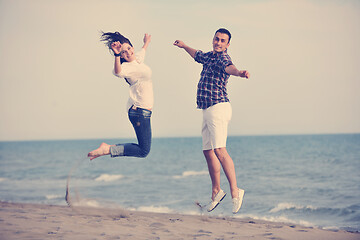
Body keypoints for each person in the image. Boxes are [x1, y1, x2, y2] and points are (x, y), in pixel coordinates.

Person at [173, 28, 250, 214]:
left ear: (227, 45)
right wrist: (184, 46)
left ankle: (235, 190)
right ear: (213, 39)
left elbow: (230, 68)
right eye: (217, 39)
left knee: (219, 150)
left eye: (223, 41)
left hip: (219, 108)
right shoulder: (209, 57)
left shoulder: (223, 59)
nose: (218, 42)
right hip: (207, 109)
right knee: (208, 151)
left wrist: (240, 73)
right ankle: (216, 191)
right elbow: (197, 55)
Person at [88, 32, 153, 160]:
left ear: (132, 48)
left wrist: (146, 43)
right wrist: (117, 55)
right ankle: (107, 149)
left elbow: (141, 53)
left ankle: (107, 148)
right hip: (139, 111)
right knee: (143, 150)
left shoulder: (137, 60)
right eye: (124, 52)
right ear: (121, 55)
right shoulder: (126, 67)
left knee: (143, 150)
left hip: (142, 112)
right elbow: (118, 72)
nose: (128, 53)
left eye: (129, 48)